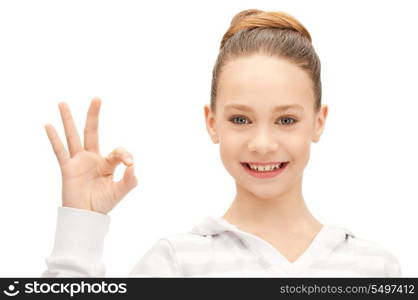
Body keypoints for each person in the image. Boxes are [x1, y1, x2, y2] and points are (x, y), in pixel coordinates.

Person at [41, 9, 401, 277]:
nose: (262, 143)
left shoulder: (372, 268)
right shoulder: (178, 263)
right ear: (212, 124)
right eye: (240, 119)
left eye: (286, 120)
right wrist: (81, 224)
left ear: (318, 122)